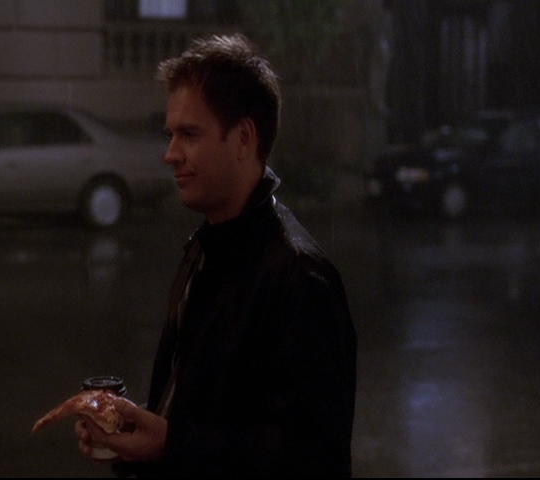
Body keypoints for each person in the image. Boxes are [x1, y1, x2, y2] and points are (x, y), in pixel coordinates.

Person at [75, 33, 357, 478]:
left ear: (243, 138)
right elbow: (203, 410)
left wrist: (169, 443)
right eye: (170, 135)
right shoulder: (206, 248)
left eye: (189, 134)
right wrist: (133, 434)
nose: (170, 155)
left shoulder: (299, 279)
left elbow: (311, 461)